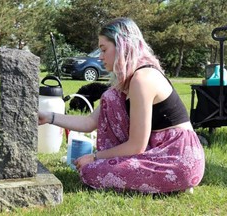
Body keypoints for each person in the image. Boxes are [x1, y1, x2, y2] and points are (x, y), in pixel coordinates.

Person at [39, 17, 205, 193]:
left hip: (178, 157)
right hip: (156, 150)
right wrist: (49, 117)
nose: (101, 56)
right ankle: (168, 183)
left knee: (91, 171)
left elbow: (136, 146)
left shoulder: (143, 79)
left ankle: (178, 181)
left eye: (104, 49)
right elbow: (89, 122)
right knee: (110, 97)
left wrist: (94, 157)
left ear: (122, 46)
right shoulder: (124, 85)